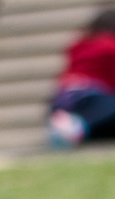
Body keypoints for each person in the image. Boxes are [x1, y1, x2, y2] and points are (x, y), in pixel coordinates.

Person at [46, 8, 115, 147]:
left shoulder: (79, 45)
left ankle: (70, 125)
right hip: (91, 95)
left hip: (62, 97)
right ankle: (76, 128)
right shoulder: (110, 46)